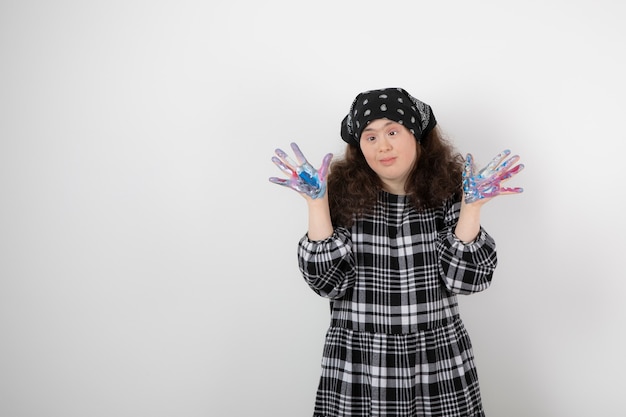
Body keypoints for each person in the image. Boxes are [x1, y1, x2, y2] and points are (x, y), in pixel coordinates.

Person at [269, 87, 524, 417]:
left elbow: (468, 280)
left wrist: (471, 208)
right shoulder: (343, 200)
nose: (383, 146)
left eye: (392, 131)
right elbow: (327, 282)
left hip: (437, 364)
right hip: (359, 366)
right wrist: (317, 205)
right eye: (370, 137)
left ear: (416, 136)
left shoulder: (448, 196)